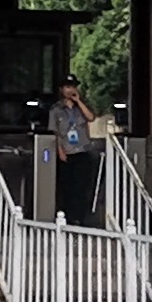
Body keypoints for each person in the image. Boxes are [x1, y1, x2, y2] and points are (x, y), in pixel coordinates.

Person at [49, 82, 104, 226]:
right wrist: (60, 150)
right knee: (67, 186)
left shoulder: (81, 106)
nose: (70, 90)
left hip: (82, 150)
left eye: (72, 87)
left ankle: (79, 217)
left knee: (82, 186)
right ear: (61, 89)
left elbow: (91, 117)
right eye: (67, 87)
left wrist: (78, 101)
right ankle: (66, 215)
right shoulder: (56, 109)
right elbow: (55, 132)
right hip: (67, 151)